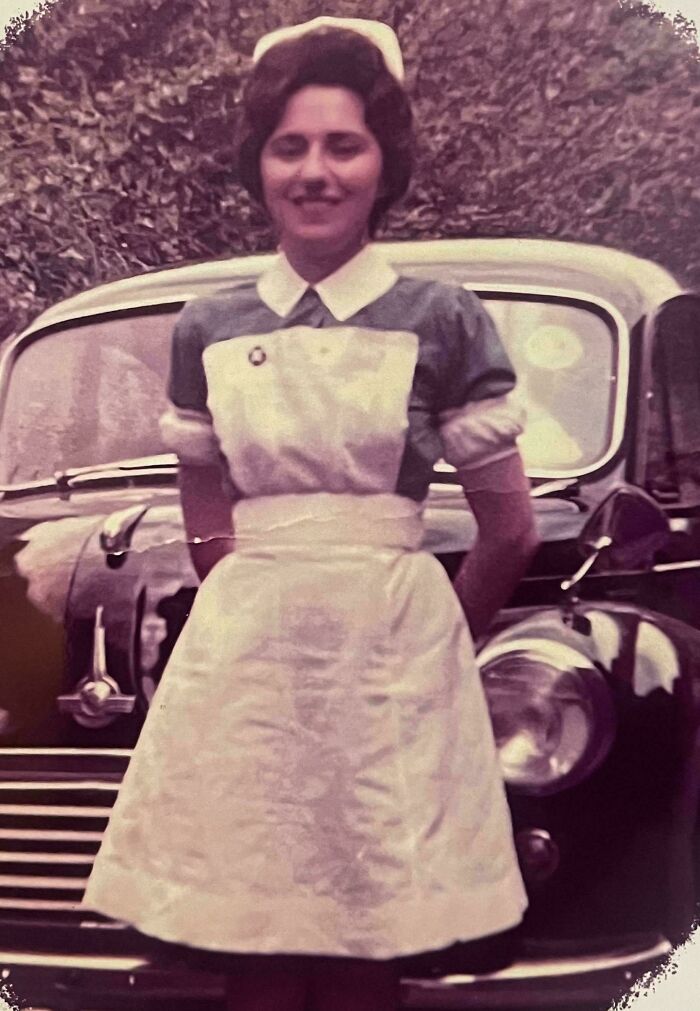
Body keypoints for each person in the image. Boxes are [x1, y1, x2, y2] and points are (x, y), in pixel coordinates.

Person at [83, 17, 540, 1011]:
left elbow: (510, 530)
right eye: (290, 146)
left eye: (344, 144)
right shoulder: (209, 327)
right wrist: (263, 601)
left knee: (367, 932)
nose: (315, 171)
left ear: (384, 163)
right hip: (251, 669)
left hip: (393, 653)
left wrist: (429, 649)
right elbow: (207, 515)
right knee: (255, 928)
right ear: (258, 166)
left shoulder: (442, 318)